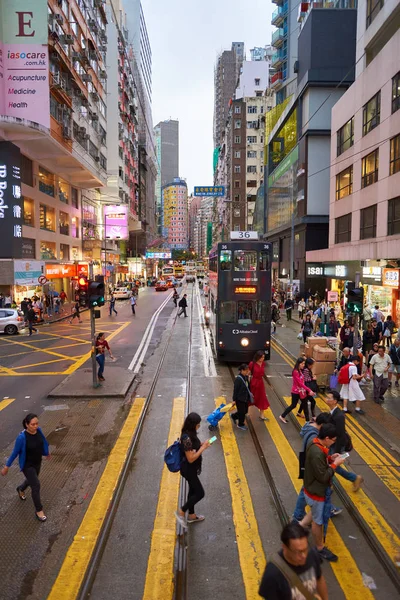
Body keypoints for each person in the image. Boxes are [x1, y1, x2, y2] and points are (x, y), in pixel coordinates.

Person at [299, 423, 345, 562]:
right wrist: (335, 465)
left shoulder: (316, 444)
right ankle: (319, 548)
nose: (333, 443)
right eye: (333, 440)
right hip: (316, 491)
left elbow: (319, 465)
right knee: (317, 522)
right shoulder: (317, 452)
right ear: (326, 438)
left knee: (313, 512)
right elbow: (323, 476)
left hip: (310, 487)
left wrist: (330, 458)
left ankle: (298, 529)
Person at [259, 521, 328, 600]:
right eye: (298, 552)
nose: (304, 555)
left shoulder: (312, 554)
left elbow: (319, 578)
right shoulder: (272, 574)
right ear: (284, 547)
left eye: (305, 549)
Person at [1, 413, 50, 522]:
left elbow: (43, 441)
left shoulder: (39, 430)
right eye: (32, 424)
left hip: (38, 462)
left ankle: (20, 488)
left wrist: (46, 452)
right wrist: (7, 466)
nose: (35, 426)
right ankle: (39, 510)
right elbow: (15, 452)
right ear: (27, 424)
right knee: (36, 485)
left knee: (32, 480)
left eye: (37, 423)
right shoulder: (22, 437)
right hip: (27, 465)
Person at [175, 412, 210, 527]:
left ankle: (192, 515)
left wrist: (201, 444)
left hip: (192, 468)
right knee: (200, 493)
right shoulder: (186, 437)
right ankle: (181, 511)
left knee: (192, 490)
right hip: (188, 469)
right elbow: (190, 458)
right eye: (197, 425)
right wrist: (203, 448)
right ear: (192, 424)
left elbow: (194, 445)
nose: (198, 426)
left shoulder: (190, 434)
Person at [325, 389, 363, 492]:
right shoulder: (333, 412)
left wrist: (337, 451)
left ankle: (353, 478)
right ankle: (330, 484)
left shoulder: (339, 415)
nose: (326, 399)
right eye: (326, 397)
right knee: (330, 464)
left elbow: (340, 434)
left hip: (337, 444)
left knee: (332, 465)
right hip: (332, 443)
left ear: (335, 401)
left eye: (329, 398)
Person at [279, 358, 315, 424]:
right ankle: (282, 416)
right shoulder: (295, 372)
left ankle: (307, 421)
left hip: (301, 391)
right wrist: (309, 390)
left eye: (304, 363)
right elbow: (300, 383)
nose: (303, 365)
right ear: (298, 364)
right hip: (296, 392)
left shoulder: (300, 370)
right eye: (302, 364)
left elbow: (302, 382)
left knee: (305, 405)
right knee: (293, 405)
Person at [249, 350, 270, 421]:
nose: (262, 359)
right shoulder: (252, 364)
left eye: (263, 357)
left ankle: (262, 415)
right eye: (261, 357)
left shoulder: (263, 364)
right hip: (254, 383)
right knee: (250, 398)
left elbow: (263, 374)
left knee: (262, 398)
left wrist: (268, 383)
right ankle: (243, 412)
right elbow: (248, 373)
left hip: (260, 383)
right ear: (257, 357)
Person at [231, 364, 252, 431]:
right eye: (246, 370)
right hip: (239, 399)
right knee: (242, 412)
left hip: (245, 398)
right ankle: (240, 424)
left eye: (248, 370)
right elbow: (235, 390)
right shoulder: (238, 379)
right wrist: (234, 400)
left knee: (245, 411)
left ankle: (234, 416)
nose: (247, 372)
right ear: (242, 370)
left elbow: (248, 386)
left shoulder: (245, 377)